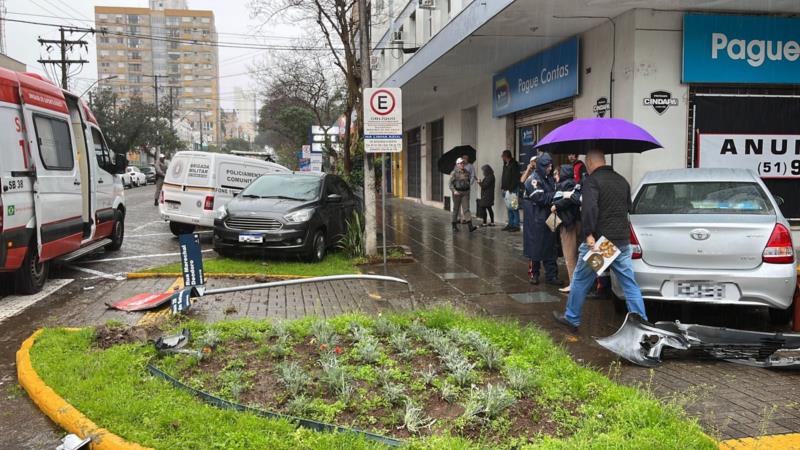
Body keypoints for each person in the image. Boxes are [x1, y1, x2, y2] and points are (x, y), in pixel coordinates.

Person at [552, 150, 648, 332]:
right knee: (629, 284)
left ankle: (572, 318)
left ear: (589, 162)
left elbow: (589, 210)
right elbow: (628, 207)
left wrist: (588, 234)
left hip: (602, 246)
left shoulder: (592, 181)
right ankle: (641, 323)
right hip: (622, 241)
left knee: (581, 279)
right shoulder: (622, 180)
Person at [521, 153, 562, 286]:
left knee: (551, 246)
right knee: (536, 247)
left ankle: (552, 275)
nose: (550, 168)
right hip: (535, 219)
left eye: (550, 165)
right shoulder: (532, 180)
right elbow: (540, 198)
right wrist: (556, 195)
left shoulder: (549, 179)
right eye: (547, 166)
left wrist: (553, 194)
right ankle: (534, 274)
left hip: (550, 217)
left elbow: (548, 195)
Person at [551, 164, 582, 293]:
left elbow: (566, 201)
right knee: (580, 254)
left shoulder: (563, 185)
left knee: (569, 255)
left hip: (568, 224)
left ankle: (573, 285)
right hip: (577, 221)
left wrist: (556, 206)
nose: (555, 177)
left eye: (556, 174)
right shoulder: (575, 184)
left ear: (562, 174)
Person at [449, 158, 478, 232]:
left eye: (463, 163)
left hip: (465, 192)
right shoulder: (454, 173)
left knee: (466, 209)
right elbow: (450, 184)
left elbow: (469, 180)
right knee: (456, 209)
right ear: (457, 164)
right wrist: (454, 191)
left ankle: (470, 226)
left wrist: (468, 188)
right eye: (460, 163)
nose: (462, 164)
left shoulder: (467, 172)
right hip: (457, 193)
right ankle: (454, 225)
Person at [500, 150, 521, 232]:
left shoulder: (514, 164)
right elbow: (504, 176)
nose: (502, 157)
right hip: (506, 189)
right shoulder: (505, 164)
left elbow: (515, 178)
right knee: (509, 207)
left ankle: (516, 225)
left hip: (512, 189)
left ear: (506, 156)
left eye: (502, 156)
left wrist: (511, 189)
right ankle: (510, 223)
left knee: (514, 207)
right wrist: (503, 187)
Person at [460, 154, 476, 223]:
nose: (465, 159)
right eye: (464, 158)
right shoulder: (459, 166)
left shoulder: (471, 166)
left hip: (466, 186)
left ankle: (466, 218)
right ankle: (461, 217)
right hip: (459, 186)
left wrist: (470, 183)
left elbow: (473, 175)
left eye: (466, 158)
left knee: (466, 202)